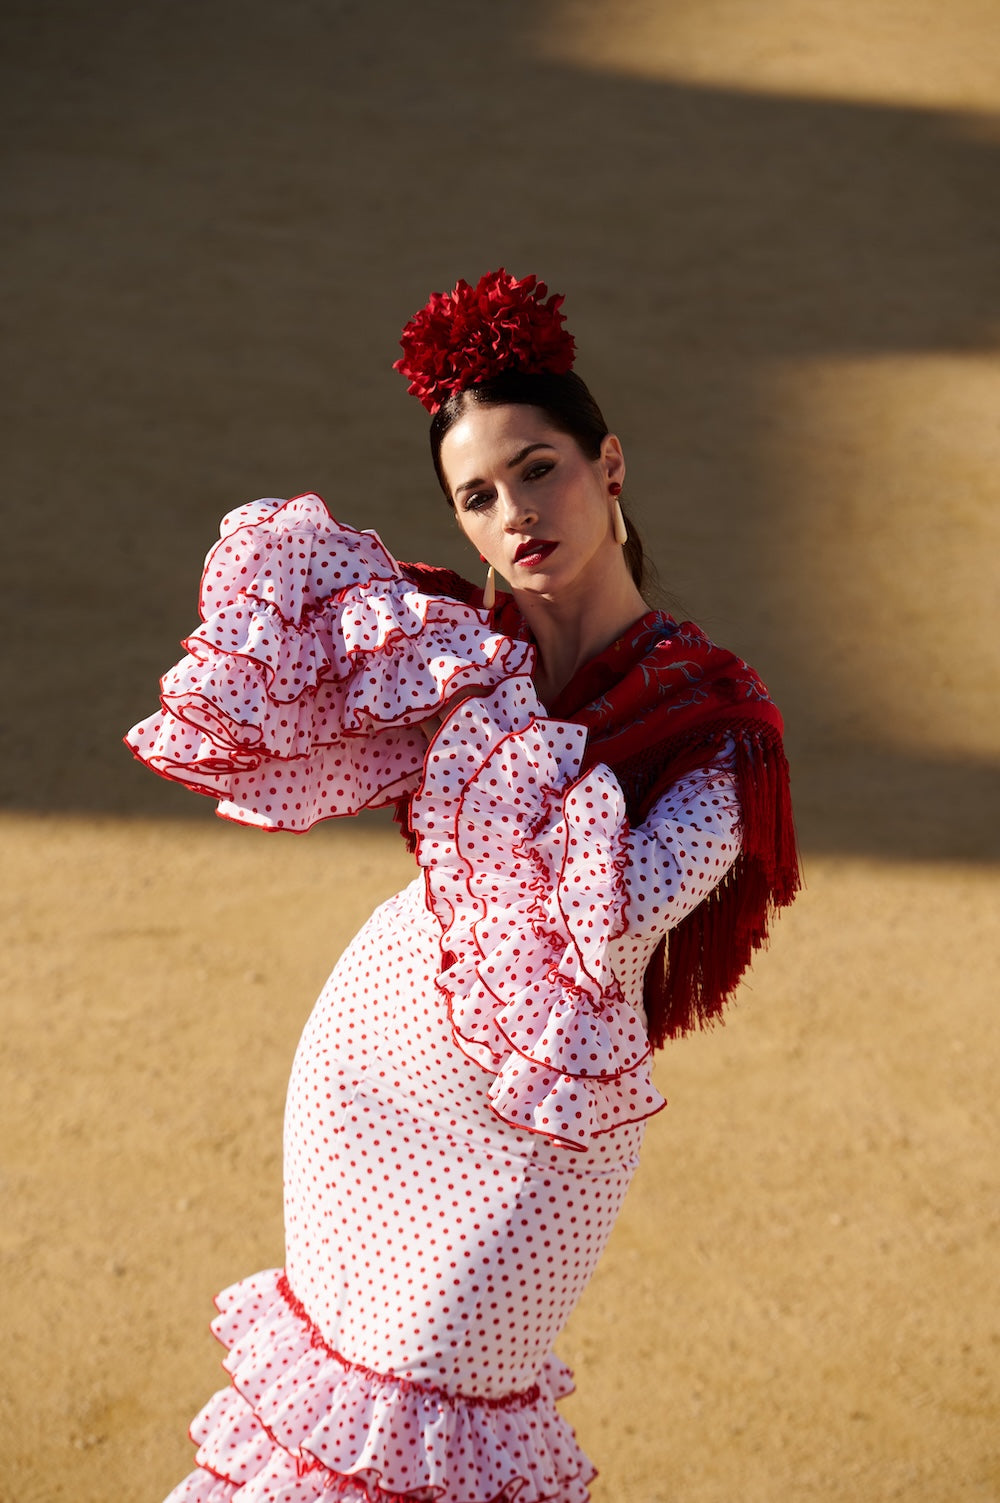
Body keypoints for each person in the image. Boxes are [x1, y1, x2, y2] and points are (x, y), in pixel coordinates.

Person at [126, 269, 799, 1503]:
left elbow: (625, 908)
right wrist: (448, 671)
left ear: (609, 465)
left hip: (540, 1139)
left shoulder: (717, 721)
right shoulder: (436, 639)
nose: (513, 516)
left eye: (536, 469)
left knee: (430, 1430)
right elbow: (262, 647)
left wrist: (495, 723)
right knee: (318, 1443)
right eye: (475, 496)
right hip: (371, 1068)